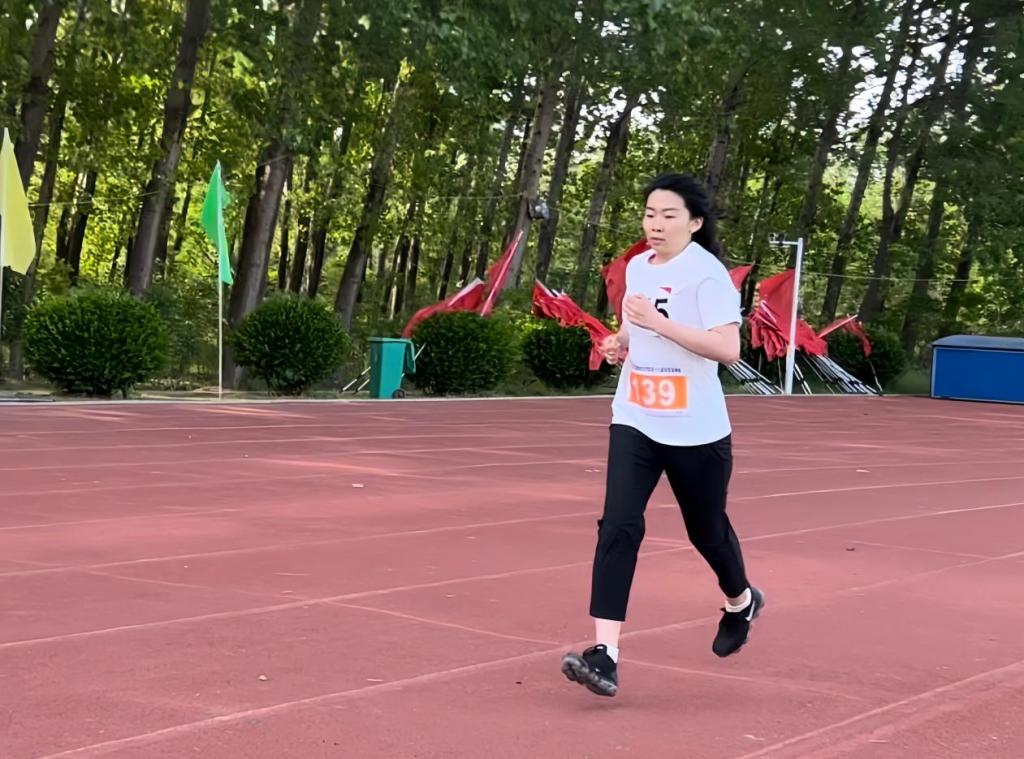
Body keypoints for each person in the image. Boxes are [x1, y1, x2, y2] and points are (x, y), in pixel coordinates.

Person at [561, 173, 764, 698]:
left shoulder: (708, 275)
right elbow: (634, 327)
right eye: (650, 213)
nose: (656, 223)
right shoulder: (637, 267)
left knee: (707, 531)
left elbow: (728, 349)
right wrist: (619, 342)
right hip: (636, 417)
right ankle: (605, 654)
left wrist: (658, 322)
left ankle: (741, 601)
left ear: (694, 223)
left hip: (696, 428)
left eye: (669, 215)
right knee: (618, 525)